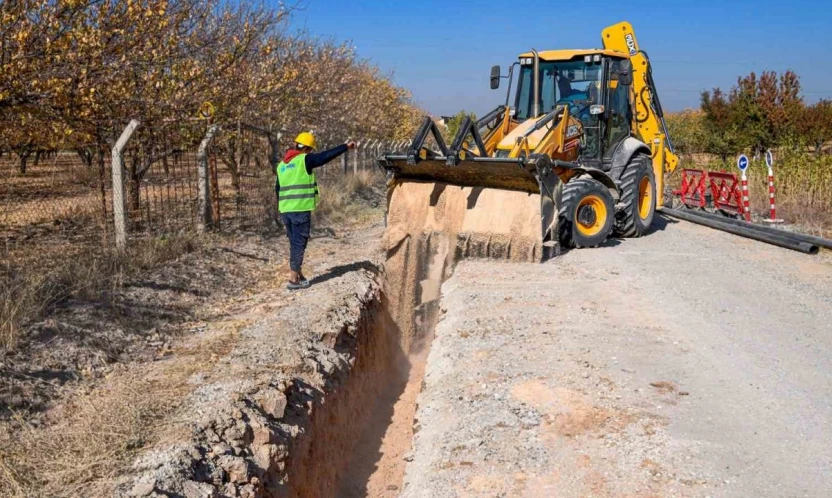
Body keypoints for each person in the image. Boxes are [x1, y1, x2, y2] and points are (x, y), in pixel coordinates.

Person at [275, 131, 356, 290]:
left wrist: (285, 206)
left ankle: (298, 273)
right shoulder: (304, 159)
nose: (311, 153)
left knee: (294, 242)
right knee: (299, 242)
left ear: (296, 144)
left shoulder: (282, 165)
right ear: (307, 148)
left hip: (285, 210)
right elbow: (324, 157)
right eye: (311, 150)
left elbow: (277, 189)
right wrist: (345, 147)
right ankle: (293, 280)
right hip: (300, 208)